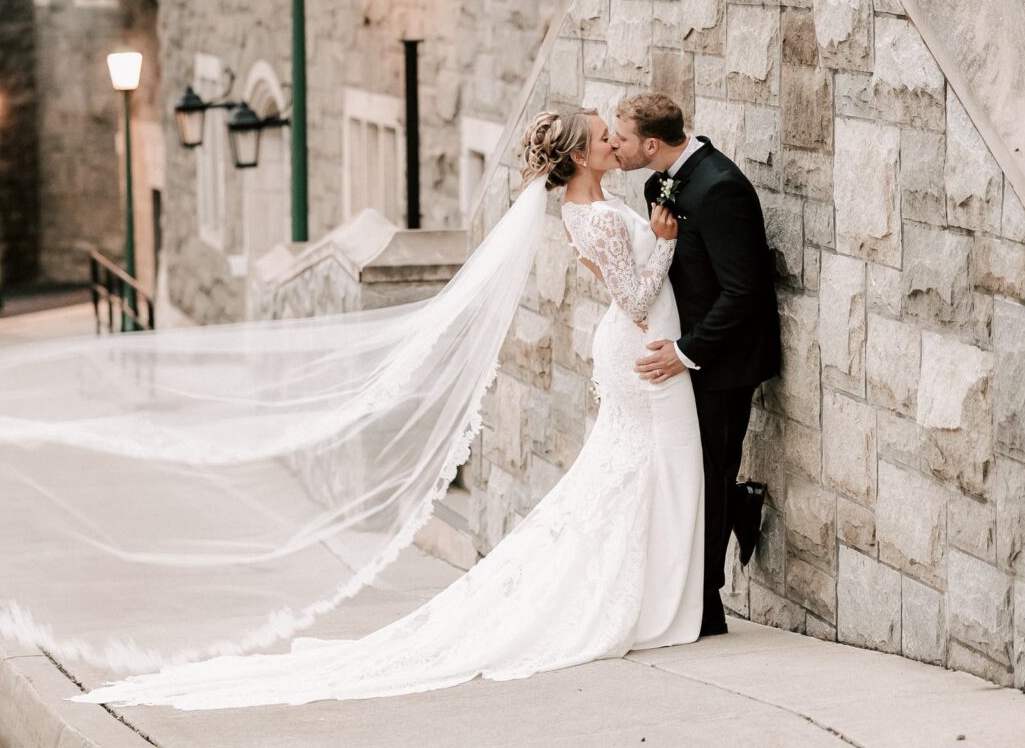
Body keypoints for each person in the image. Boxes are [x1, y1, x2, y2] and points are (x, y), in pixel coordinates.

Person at [78, 107, 706, 709]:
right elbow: (632, 296)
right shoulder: (592, 216)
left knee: (633, 476)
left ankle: (658, 598)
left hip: (635, 347)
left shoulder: (592, 206)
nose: (613, 143)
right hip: (639, 348)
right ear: (577, 155)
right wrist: (663, 243)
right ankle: (652, 605)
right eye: (602, 136)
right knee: (646, 470)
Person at [614, 89, 782, 629]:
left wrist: (687, 351)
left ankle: (707, 607)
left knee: (708, 475)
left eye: (623, 138)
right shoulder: (655, 182)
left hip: (722, 361)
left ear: (653, 143)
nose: (615, 145)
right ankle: (734, 511)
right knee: (691, 473)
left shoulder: (721, 188)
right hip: (680, 349)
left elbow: (745, 290)